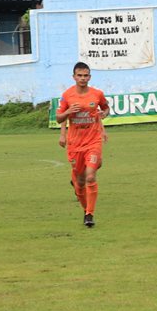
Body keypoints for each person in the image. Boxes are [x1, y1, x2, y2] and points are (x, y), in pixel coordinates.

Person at [57, 62, 110, 227]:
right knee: (79, 181)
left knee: (90, 176)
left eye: (85, 75)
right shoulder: (67, 96)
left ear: (90, 77)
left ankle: (89, 214)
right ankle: (85, 206)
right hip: (75, 143)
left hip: (93, 140)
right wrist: (67, 113)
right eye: (79, 75)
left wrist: (104, 114)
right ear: (74, 77)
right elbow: (59, 118)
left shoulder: (97, 94)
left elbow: (106, 108)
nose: (82, 78)